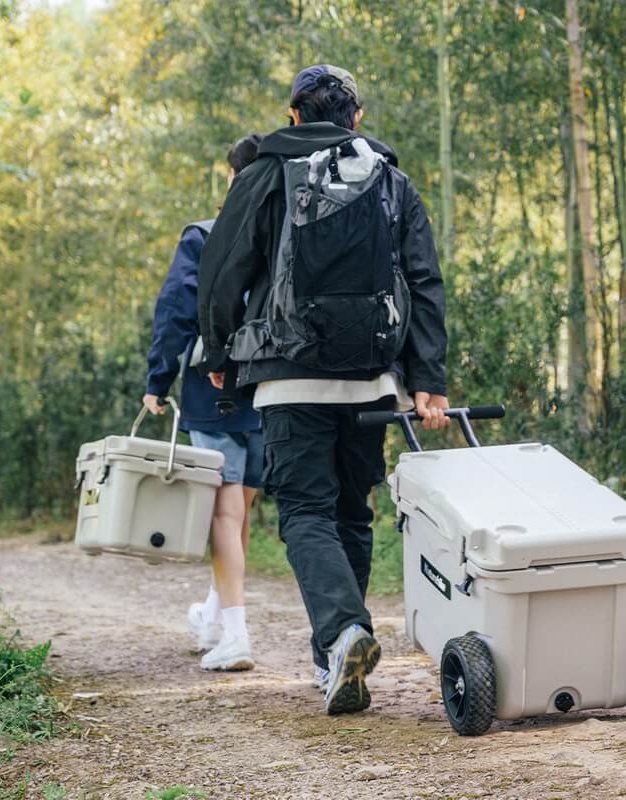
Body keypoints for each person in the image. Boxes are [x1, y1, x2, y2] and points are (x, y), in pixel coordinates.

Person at [197, 65, 449, 714]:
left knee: (306, 512)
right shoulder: (391, 180)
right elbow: (423, 280)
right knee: (351, 513)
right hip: (372, 379)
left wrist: (218, 352)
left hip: (288, 374)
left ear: (293, 114)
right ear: (357, 118)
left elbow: (225, 269)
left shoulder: (263, 174)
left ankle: (341, 635)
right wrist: (428, 381)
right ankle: (332, 655)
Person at [144, 133, 263, 671]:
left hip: (212, 389)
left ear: (232, 177)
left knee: (224, 511)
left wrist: (157, 380)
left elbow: (175, 310)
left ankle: (235, 632)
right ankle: (214, 616)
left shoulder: (205, 235)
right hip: (273, 390)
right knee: (239, 514)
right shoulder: (285, 239)